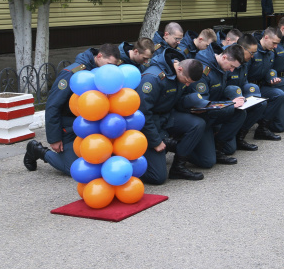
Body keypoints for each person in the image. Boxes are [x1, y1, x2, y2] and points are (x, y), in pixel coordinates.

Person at [23, 44, 120, 173]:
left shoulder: (104, 75)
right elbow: (53, 105)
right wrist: (54, 138)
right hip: (69, 128)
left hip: (91, 127)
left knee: (99, 161)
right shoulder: (73, 74)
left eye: (114, 66)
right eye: (108, 64)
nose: (110, 69)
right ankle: (37, 150)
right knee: (74, 168)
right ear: (99, 56)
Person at [138, 49, 214, 183]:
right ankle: (133, 166)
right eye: (186, 81)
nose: (187, 84)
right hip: (150, 123)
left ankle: (178, 167)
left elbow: (177, 99)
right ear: (179, 69)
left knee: (198, 123)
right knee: (158, 178)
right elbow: (142, 113)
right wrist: (155, 141)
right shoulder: (154, 78)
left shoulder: (181, 73)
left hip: (167, 116)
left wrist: (194, 105)